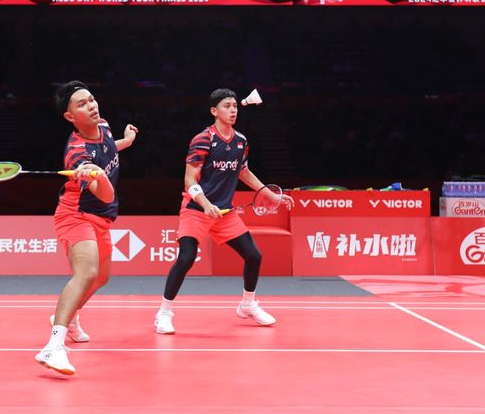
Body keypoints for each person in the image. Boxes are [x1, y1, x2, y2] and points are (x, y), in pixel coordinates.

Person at [154, 88, 293, 334]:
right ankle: (164, 312)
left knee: (254, 255)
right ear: (214, 111)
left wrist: (271, 195)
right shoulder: (203, 139)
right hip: (197, 209)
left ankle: (247, 305)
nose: (232, 110)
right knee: (186, 258)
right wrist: (206, 204)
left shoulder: (241, 141)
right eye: (227, 106)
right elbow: (189, 179)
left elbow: (244, 172)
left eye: (235, 107)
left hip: (224, 214)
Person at [36, 81, 138, 375]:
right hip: (76, 214)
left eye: (91, 99)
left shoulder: (103, 126)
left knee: (102, 277)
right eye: (81, 104)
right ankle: (53, 346)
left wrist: (126, 141)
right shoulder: (75, 153)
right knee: (87, 272)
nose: (91, 105)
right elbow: (106, 194)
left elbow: (107, 148)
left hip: (102, 220)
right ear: (70, 117)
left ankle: (69, 317)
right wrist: (93, 173)